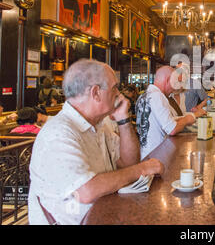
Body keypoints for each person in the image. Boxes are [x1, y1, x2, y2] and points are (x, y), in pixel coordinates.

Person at [28, 59, 164, 225]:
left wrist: (123, 120)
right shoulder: (59, 133)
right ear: (96, 93)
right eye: (114, 88)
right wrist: (142, 169)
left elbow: (128, 162)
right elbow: (87, 190)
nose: (119, 94)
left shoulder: (98, 127)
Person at [136, 66, 206, 159]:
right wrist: (188, 119)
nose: (175, 87)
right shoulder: (158, 96)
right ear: (167, 80)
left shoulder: (143, 96)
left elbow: (162, 122)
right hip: (157, 155)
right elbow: (172, 129)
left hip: (145, 154)